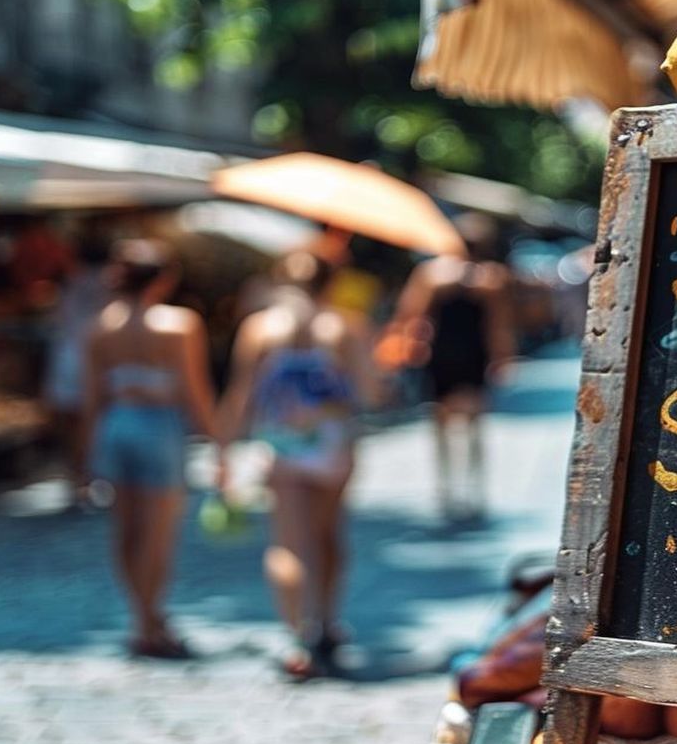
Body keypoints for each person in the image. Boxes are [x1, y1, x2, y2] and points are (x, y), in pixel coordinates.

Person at [220, 252, 376, 677]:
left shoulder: (259, 328)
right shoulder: (345, 326)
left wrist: (223, 449)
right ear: (331, 283)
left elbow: (240, 395)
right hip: (331, 444)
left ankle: (296, 637)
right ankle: (326, 619)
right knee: (327, 535)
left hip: (281, 444)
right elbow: (369, 391)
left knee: (287, 543)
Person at [82, 240, 223, 659]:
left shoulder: (101, 327)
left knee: (126, 530)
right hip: (159, 426)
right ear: (162, 279)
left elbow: (92, 399)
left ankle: (143, 617)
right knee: (157, 534)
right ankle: (149, 620)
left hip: (116, 424)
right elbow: (195, 391)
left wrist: (87, 455)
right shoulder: (177, 325)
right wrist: (217, 441)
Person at [389, 214, 514, 521]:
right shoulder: (491, 278)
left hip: (442, 356)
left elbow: (411, 313)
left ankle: (447, 487)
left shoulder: (432, 274)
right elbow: (499, 327)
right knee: (473, 425)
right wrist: (502, 359)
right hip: (472, 356)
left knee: (442, 424)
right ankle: (472, 489)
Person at [44, 229, 112, 509]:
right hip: (95, 359)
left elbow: (57, 317)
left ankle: (77, 477)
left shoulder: (69, 282)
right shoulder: (110, 284)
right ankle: (90, 476)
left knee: (72, 422)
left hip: (67, 356)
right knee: (95, 421)